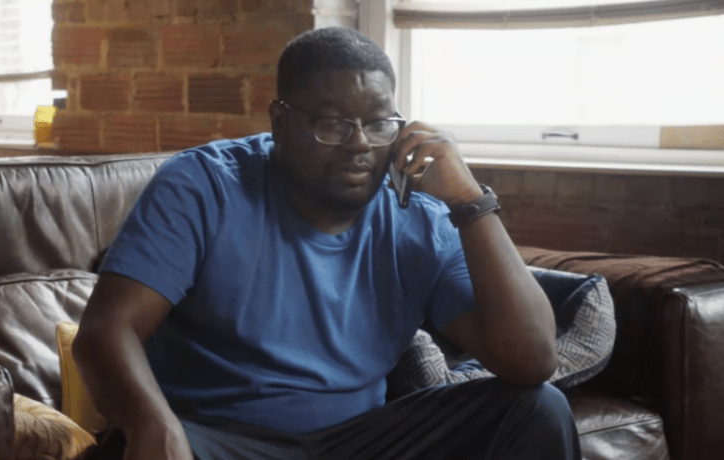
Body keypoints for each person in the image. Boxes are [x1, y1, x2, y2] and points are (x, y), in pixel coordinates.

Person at [73, 26, 581, 460]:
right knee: (126, 448)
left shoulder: (420, 219)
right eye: (333, 124)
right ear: (280, 122)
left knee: (535, 409)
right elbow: (104, 332)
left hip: (362, 441)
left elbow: (532, 361)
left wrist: (471, 204)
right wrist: (152, 425)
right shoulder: (203, 187)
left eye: (379, 123)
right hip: (223, 441)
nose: (360, 143)